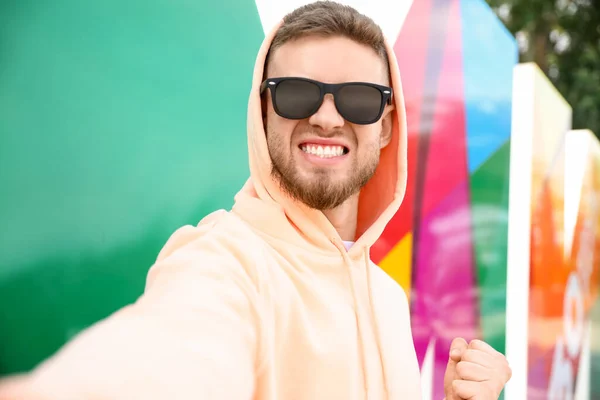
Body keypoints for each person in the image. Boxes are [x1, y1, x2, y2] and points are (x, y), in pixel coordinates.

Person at [0, 2, 512, 399]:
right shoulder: (225, 264)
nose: (328, 119)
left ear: (386, 128)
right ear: (263, 111)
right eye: (296, 93)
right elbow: (168, 354)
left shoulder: (387, 297)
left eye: (357, 97)